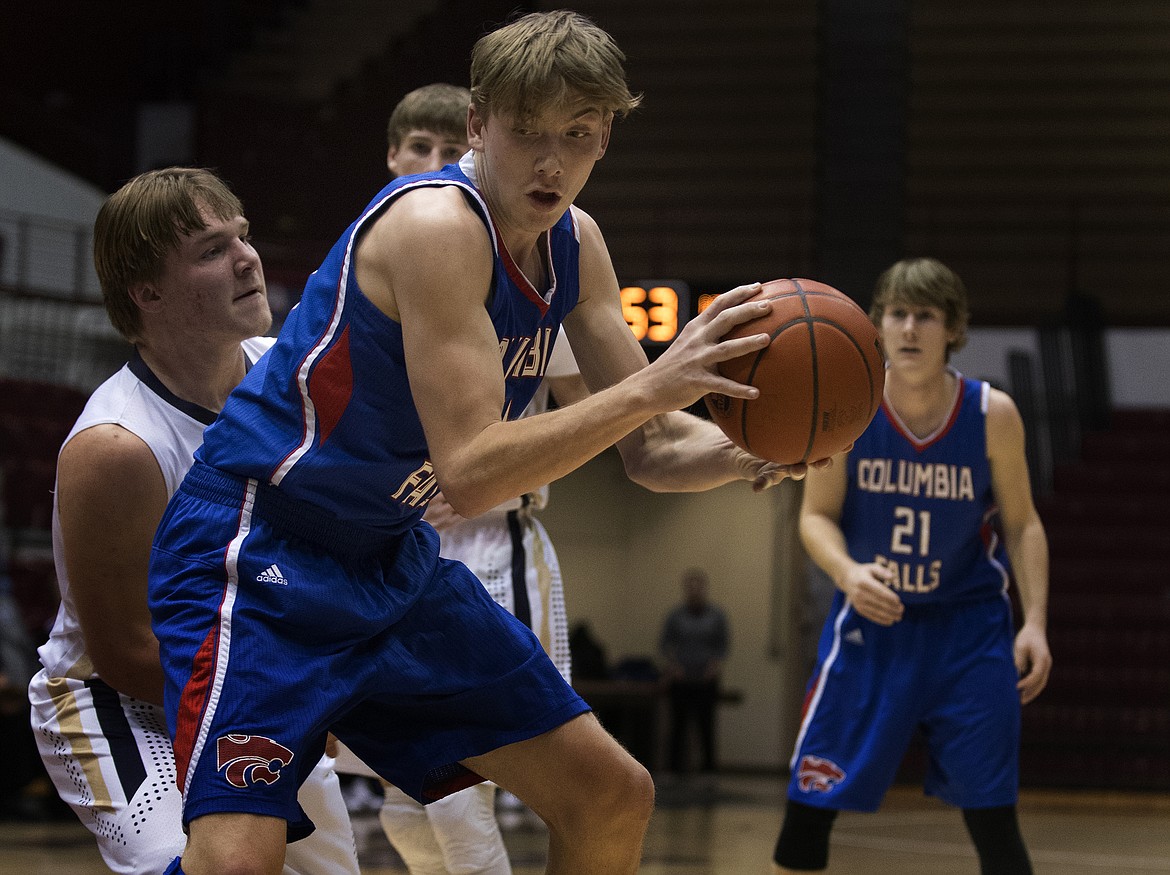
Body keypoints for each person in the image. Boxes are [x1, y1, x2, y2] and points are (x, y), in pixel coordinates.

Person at [148, 12, 821, 875]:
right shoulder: (437, 227)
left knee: (612, 792)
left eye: (577, 134)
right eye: (527, 130)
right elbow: (469, 472)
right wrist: (658, 382)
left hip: (386, 557)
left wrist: (753, 451)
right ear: (477, 124)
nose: (552, 160)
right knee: (239, 862)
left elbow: (651, 450)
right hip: (261, 548)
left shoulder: (578, 243)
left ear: (605, 137)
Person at [26, 168, 360, 874]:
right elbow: (124, 650)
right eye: (212, 250)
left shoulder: (285, 375)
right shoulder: (117, 444)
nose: (247, 257)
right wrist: (292, 706)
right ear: (146, 291)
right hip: (123, 698)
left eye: (241, 236)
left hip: (254, 680)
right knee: (211, 863)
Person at [343, 80, 594, 875]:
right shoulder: (375, 262)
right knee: (408, 797)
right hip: (379, 547)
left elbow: (603, 414)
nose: (437, 162)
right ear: (391, 155)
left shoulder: (527, 264)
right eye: (420, 147)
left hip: (490, 540)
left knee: (461, 787)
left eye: (451, 149)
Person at [772, 257, 1052, 874]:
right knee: (809, 806)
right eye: (897, 314)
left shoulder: (991, 414)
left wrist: (1033, 624)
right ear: (877, 324)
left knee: (994, 816)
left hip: (968, 631)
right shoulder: (849, 408)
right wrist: (847, 573)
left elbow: (1023, 522)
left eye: (926, 316)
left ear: (953, 329)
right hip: (872, 627)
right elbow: (815, 517)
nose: (909, 329)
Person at [658, 568, 729, 775]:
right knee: (677, 726)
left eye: (698, 586)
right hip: (681, 679)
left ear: (704, 588)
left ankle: (708, 770)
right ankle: (673, 769)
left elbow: (722, 646)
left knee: (706, 726)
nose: (694, 590)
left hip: (706, 679)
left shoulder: (716, 616)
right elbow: (665, 644)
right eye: (690, 586)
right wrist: (673, 666)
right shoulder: (675, 616)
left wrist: (714, 666)